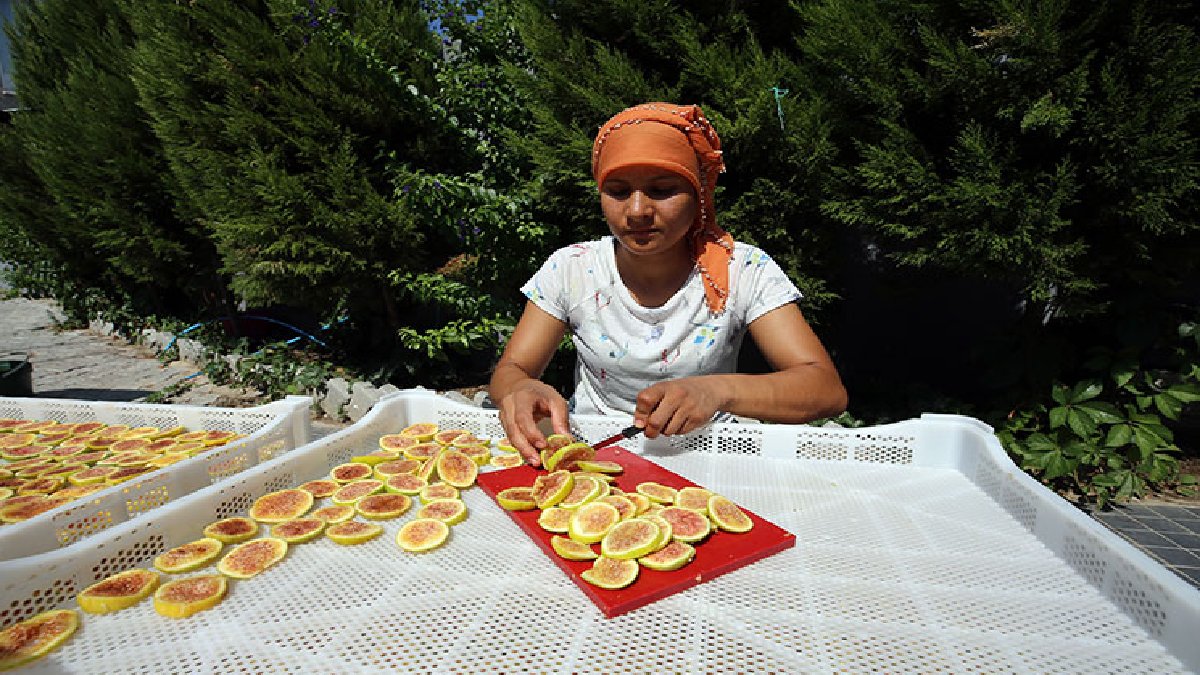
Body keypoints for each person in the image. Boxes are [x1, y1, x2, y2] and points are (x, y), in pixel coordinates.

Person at [489, 102, 848, 466]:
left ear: (699, 195)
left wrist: (716, 391)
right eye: (617, 190)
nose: (638, 210)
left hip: (710, 457)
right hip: (595, 455)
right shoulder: (572, 268)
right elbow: (511, 370)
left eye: (662, 189)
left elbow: (824, 389)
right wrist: (519, 389)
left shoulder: (743, 269)